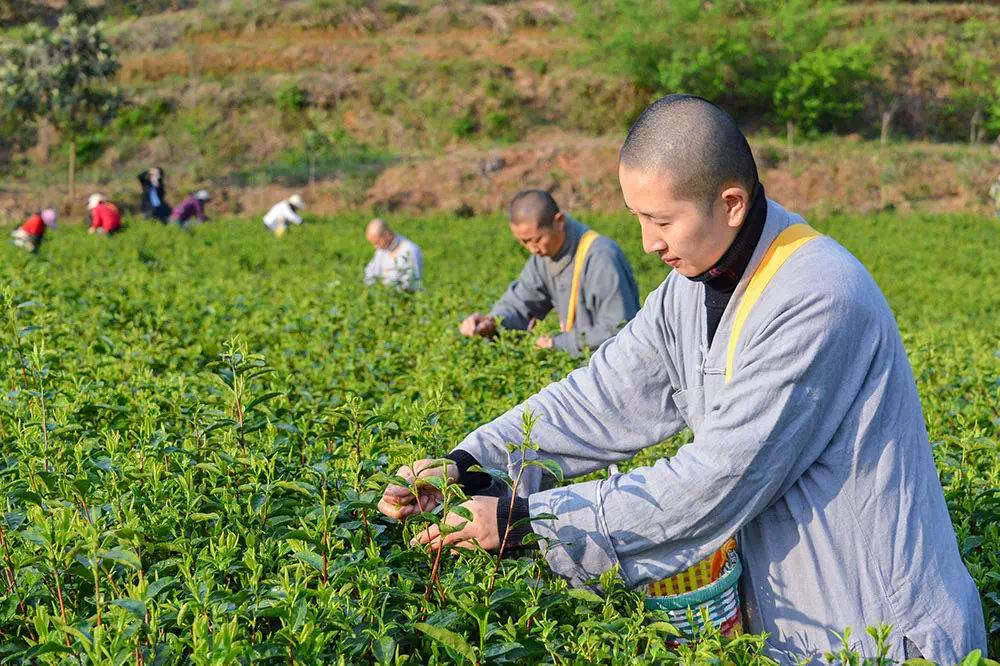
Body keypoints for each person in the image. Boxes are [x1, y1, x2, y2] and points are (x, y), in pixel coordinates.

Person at [377, 95, 987, 663]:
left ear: (731, 204)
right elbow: (600, 396)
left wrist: (527, 521)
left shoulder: (819, 297)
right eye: (638, 218)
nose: (647, 243)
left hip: (875, 632)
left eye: (661, 221)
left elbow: (715, 480)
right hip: (796, 625)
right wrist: (469, 463)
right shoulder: (690, 288)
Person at [459, 190, 639, 357]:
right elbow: (521, 302)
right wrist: (492, 323)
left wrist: (558, 343)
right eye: (524, 242)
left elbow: (619, 329)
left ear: (559, 221)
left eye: (536, 239)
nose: (532, 249)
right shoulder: (544, 257)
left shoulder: (601, 257)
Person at [363, 218, 423, 291]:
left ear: (386, 235)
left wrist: (388, 290)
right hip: (384, 293)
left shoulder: (410, 250)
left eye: (377, 242)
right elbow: (371, 272)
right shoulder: (381, 250)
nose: (376, 247)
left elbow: (410, 282)